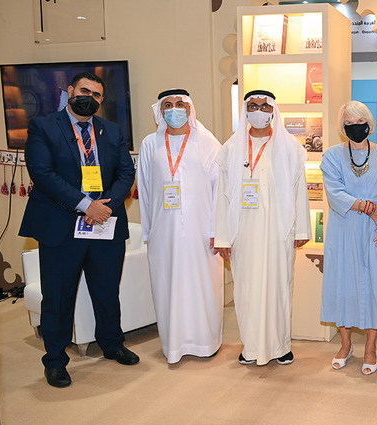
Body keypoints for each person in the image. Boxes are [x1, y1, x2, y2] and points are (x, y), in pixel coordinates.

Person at [19, 72, 139, 388]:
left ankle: (112, 344)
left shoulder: (111, 131)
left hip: (104, 225)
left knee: (107, 291)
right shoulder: (43, 126)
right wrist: (87, 205)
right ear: (71, 91)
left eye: (97, 95)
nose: (90, 98)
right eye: (85, 91)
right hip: (62, 226)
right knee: (58, 297)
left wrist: (105, 206)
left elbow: (126, 173)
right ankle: (55, 360)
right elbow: (42, 173)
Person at [214, 90, 310, 366]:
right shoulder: (231, 149)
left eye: (264, 107)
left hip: (278, 232)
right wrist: (223, 238)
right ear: (246, 111)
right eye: (253, 106)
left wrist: (302, 230)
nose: (258, 111)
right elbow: (221, 197)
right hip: (243, 232)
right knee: (246, 290)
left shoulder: (290, 147)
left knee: (279, 288)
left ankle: (280, 346)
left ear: (273, 111)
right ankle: (251, 347)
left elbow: (299, 191)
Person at [137, 89, 224, 363]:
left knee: (203, 287)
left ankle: (207, 343)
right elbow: (145, 190)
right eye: (168, 105)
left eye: (179, 104)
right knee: (168, 288)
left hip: (202, 233)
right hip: (164, 234)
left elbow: (219, 191)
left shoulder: (208, 142)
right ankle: (173, 345)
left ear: (189, 108)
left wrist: (217, 231)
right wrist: (149, 230)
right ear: (160, 111)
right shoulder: (150, 144)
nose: (174, 109)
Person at [320, 101, 377, 375]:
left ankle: (370, 348)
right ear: (343, 127)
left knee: (373, 284)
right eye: (349, 123)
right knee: (342, 282)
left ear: (369, 124)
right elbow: (335, 194)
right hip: (344, 227)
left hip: (375, 229)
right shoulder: (332, 156)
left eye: (360, 122)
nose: (356, 127)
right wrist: (367, 207)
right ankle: (345, 345)